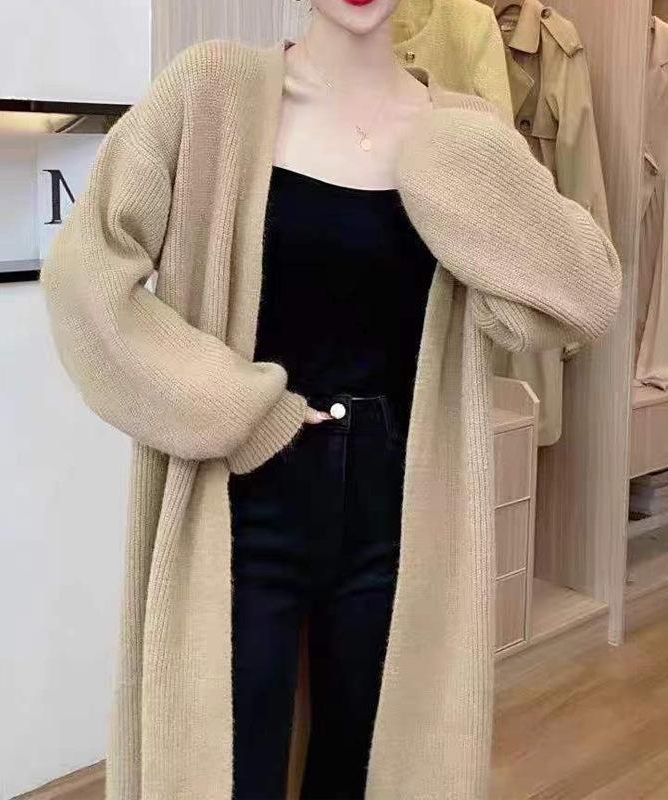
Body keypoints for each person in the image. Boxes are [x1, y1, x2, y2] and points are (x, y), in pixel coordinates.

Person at [39, 1, 623, 798]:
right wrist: (239, 409)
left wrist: (455, 159)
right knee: (227, 770)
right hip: (244, 492)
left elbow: (577, 299)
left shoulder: (460, 131)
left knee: (369, 767)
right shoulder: (211, 91)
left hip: (400, 503)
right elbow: (86, 278)